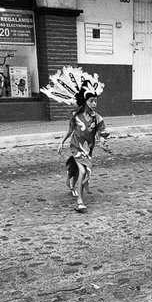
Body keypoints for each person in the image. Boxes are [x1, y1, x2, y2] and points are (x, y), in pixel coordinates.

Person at [41, 66, 110, 213]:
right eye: (91, 101)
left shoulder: (98, 118)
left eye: (95, 101)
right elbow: (70, 130)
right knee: (83, 172)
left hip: (88, 149)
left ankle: (71, 182)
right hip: (77, 147)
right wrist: (61, 142)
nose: (94, 104)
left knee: (86, 173)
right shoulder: (76, 116)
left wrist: (104, 142)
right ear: (85, 101)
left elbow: (101, 134)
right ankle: (80, 201)